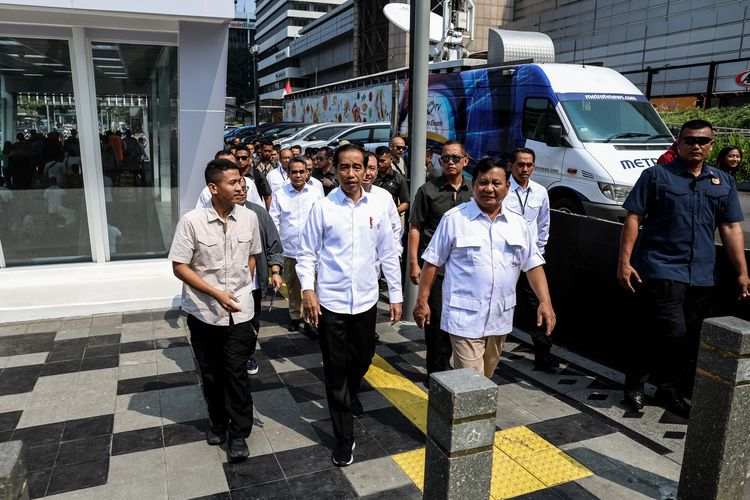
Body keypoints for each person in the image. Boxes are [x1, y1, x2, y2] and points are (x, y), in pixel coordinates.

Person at [617, 119, 750, 418]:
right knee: (669, 331)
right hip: (660, 267)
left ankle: (669, 390)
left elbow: (730, 228)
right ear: (678, 143)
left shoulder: (722, 182)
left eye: (703, 141)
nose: (696, 146)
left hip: (702, 273)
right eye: (690, 140)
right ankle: (635, 384)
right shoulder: (656, 176)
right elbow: (634, 218)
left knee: (689, 336)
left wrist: (742, 272)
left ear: (711, 145)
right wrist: (624, 262)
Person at [297, 143, 403, 467]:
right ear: (336, 169)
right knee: (335, 372)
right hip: (332, 303)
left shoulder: (378, 206)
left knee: (364, 355)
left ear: (366, 168)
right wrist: (307, 291)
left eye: (358, 167)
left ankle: (352, 388)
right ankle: (344, 437)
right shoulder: (324, 208)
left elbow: (387, 252)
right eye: (345, 167)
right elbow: (306, 253)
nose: (352, 174)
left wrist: (396, 295)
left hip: (367, 301)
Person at [413, 158, 555, 379]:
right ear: (474, 186)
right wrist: (422, 301)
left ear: (507, 188)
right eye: (483, 183)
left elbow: (533, 265)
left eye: (496, 183)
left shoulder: (518, 223)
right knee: (473, 383)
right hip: (464, 319)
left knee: (484, 379)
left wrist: (545, 302)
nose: (489, 189)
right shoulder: (455, 219)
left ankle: (463, 411)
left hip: (500, 319)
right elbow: (432, 262)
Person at [169, 158, 262, 462]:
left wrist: (240, 288)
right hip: (204, 312)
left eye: (241, 181)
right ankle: (218, 422)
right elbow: (179, 266)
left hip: (240, 312)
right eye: (233, 182)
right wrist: (215, 293)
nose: (241, 186)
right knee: (211, 373)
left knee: (236, 374)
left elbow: (251, 256)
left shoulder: (249, 218)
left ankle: (238, 433)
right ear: (213, 188)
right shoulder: (192, 221)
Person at [408, 140, 472, 378]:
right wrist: (414, 263)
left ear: (465, 161)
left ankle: (459, 369)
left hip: (464, 270)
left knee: (459, 320)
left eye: (455, 158)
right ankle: (436, 373)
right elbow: (415, 227)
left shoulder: (474, 191)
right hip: (435, 269)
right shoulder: (428, 190)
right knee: (434, 322)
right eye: (445, 158)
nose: (450, 162)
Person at [502, 148, 555, 371]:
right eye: (521, 165)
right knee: (501, 303)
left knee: (539, 305)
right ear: (511, 166)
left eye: (529, 165)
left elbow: (544, 224)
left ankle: (543, 355)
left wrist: (538, 252)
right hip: (505, 258)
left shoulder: (540, 192)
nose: (525, 169)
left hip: (530, 259)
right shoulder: (502, 189)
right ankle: (489, 348)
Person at [270, 156, 324, 335]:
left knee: (312, 286)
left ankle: (311, 320)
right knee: (292, 286)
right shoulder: (280, 194)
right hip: (289, 249)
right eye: (294, 172)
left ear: (308, 172)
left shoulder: (316, 192)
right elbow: (274, 221)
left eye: (302, 171)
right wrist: (276, 247)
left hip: (313, 250)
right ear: (288, 172)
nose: (298, 175)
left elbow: (323, 219)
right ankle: (295, 316)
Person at [236, 177, 283, 376]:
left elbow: (273, 244)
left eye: (244, 188)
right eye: (235, 187)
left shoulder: (259, 213)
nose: (240, 191)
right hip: (226, 284)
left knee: (251, 321)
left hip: (253, 284)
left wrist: (275, 271)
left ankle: (247, 354)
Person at [196, 150, 262, 208]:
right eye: (232, 183)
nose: (239, 189)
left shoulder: (249, 182)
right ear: (213, 188)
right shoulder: (206, 192)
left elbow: (259, 206)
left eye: (244, 188)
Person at [373, 146, 409, 215]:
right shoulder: (371, 176)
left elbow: (405, 203)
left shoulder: (398, 178)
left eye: (383, 161)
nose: (379, 164)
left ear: (391, 159)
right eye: (378, 161)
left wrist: (393, 213)